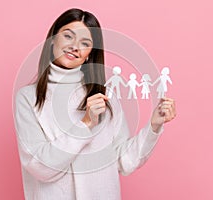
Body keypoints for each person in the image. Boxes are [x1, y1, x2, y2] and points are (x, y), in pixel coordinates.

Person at [14, 8, 176, 200]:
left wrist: (154, 126)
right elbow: (40, 167)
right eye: (68, 36)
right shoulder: (28, 98)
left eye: (85, 43)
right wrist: (85, 124)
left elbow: (124, 161)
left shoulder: (105, 97)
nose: (75, 46)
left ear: (90, 54)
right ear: (52, 40)